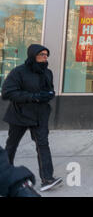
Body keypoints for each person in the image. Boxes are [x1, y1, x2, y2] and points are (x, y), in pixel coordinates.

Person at [2, 44, 62, 192]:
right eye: (41, 54)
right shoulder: (19, 72)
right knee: (11, 146)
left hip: (40, 115)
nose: (44, 57)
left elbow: (49, 90)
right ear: (33, 55)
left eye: (46, 55)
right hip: (19, 115)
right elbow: (7, 92)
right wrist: (33, 97)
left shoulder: (47, 72)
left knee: (43, 145)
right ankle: (4, 177)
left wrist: (49, 94)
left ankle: (47, 179)